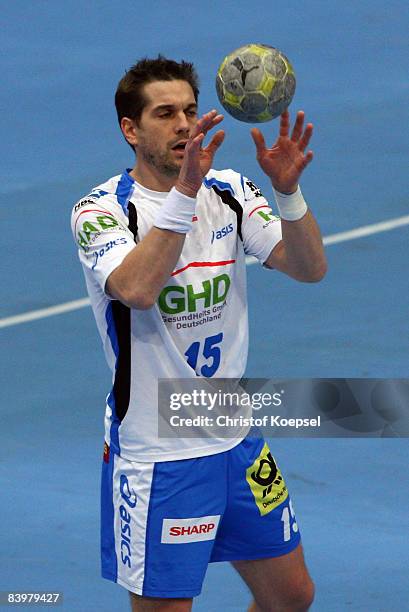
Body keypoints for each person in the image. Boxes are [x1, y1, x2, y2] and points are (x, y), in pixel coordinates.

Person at [71, 55, 326, 612]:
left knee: (291, 596)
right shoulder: (100, 212)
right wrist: (184, 194)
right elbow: (137, 288)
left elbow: (308, 268)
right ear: (130, 130)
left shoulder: (230, 191)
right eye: (165, 114)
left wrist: (288, 195)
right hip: (160, 454)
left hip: (234, 437)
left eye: (190, 109)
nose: (185, 124)